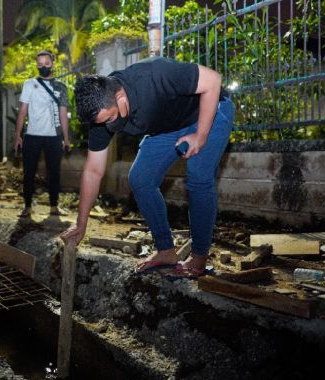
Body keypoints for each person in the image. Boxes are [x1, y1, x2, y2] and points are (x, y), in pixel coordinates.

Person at [61, 57, 234, 278]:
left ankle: (198, 259)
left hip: (211, 108)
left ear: (120, 97)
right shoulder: (101, 116)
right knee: (140, 179)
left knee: (198, 177)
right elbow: (93, 171)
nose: (107, 127)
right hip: (170, 125)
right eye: (102, 122)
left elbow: (212, 80)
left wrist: (200, 136)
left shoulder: (154, 76)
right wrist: (81, 223)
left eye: (110, 118)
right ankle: (166, 251)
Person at [14, 50, 70, 218]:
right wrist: (18, 135)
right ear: (36, 65)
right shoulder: (29, 84)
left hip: (54, 136)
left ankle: (54, 206)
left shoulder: (61, 87)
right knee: (28, 172)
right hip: (32, 135)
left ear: (52, 64)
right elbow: (22, 112)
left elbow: (63, 114)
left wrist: (66, 138)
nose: (43, 67)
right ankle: (27, 207)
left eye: (46, 64)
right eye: (40, 65)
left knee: (55, 172)